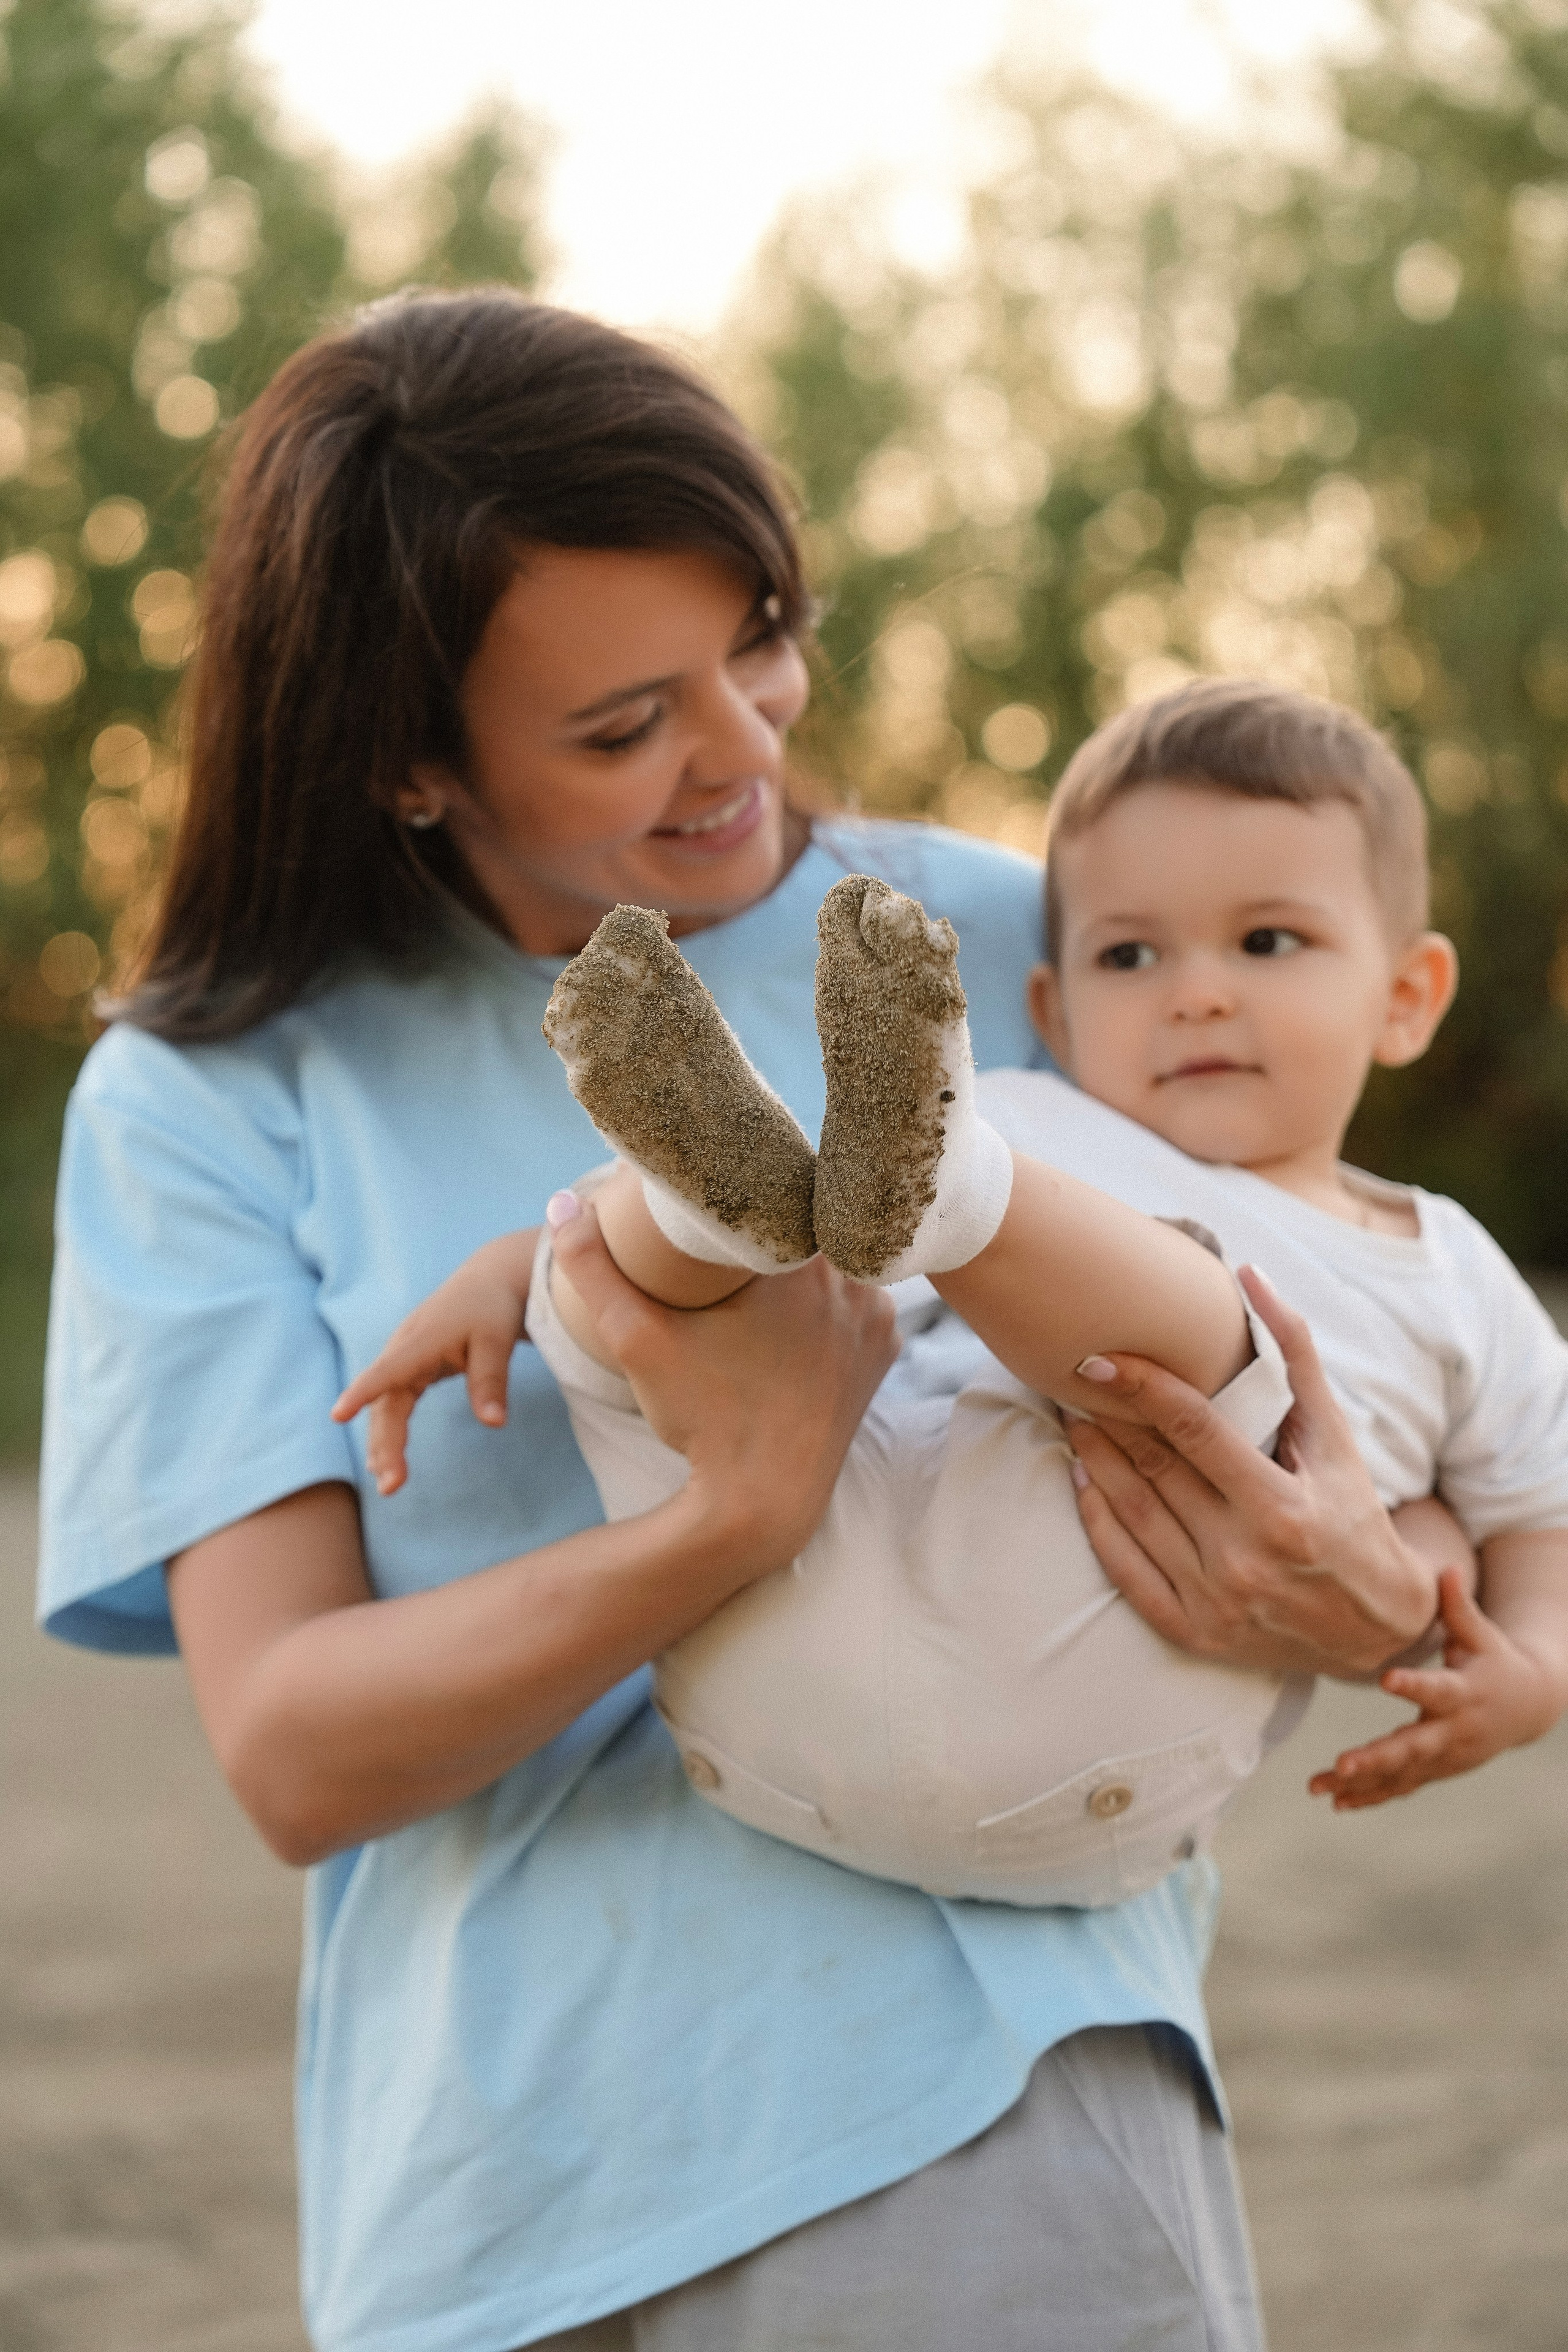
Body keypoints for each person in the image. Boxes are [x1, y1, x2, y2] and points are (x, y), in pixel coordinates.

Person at [37, 291, 1445, 2352]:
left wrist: (1375, 1585)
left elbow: (1344, 1347)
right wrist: (730, 1513)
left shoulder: (1017, 941)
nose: (751, 750)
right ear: (406, 761)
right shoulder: (215, 1090)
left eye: (761, 638)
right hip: (505, 2201)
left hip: (993, 2105)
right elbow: (293, 1749)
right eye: (624, 729)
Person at [339, 681, 1568, 1910]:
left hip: (1092, 1724)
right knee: (671, 1305)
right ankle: (688, 1209)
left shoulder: (1444, 1264)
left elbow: (1543, 1523)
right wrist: (520, 1270)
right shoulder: (1024, 1118)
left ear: (1403, 996)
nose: (1194, 992)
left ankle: (880, 1215)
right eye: (1128, 954)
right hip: (787, 1638)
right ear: (1052, 1009)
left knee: (1221, 1335)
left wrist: (1529, 1677)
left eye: (1265, 942)